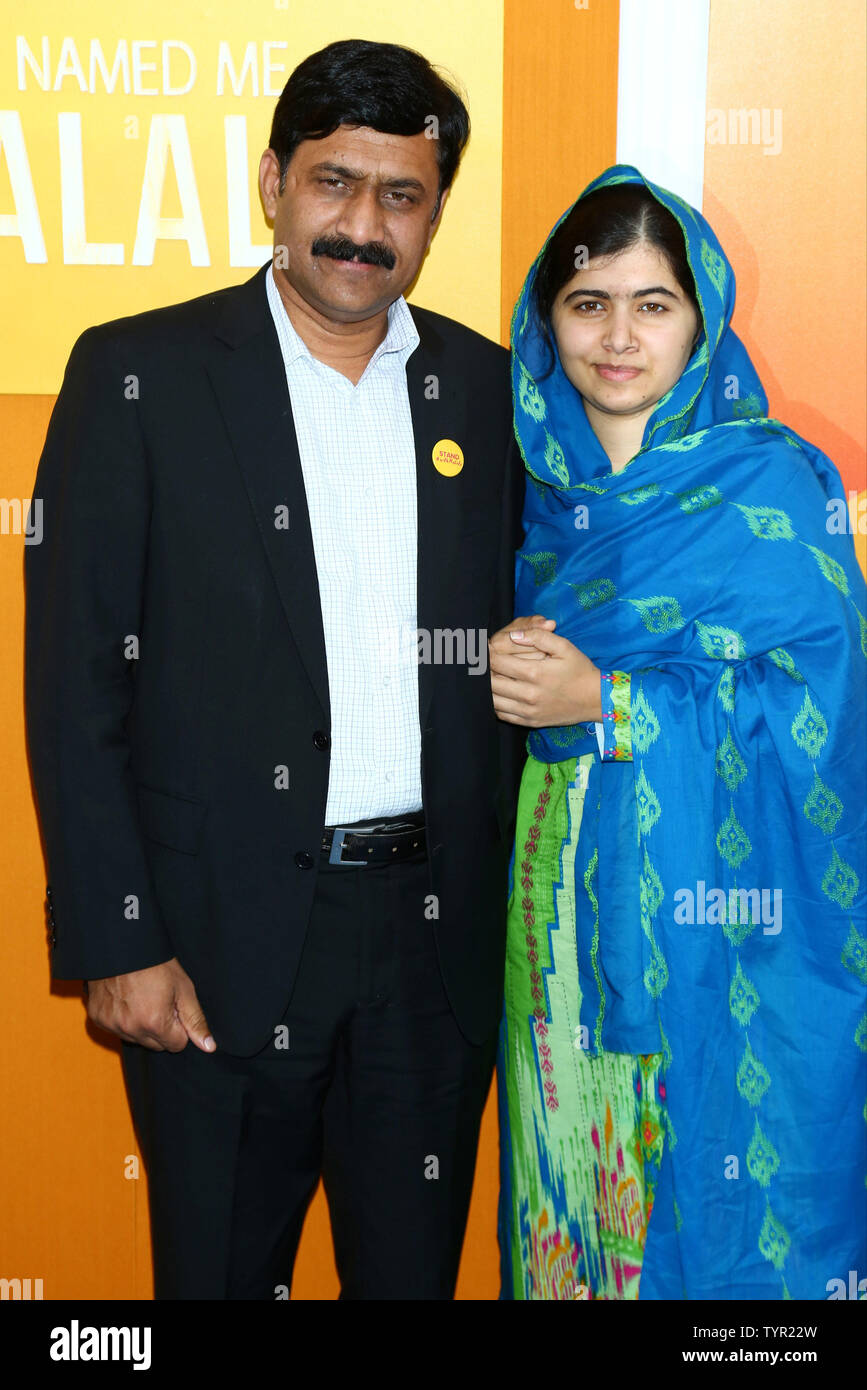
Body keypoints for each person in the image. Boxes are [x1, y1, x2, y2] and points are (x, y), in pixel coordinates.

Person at [24, 38, 525, 1300]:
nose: (363, 226)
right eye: (333, 184)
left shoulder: (488, 392)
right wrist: (118, 937)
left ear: (435, 214)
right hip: (216, 946)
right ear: (271, 183)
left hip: (432, 952)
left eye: (400, 196)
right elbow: (76, 684)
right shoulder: (137, 376)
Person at [489, 164, 867, 1300]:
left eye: (653, 304)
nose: (618, 335)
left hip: (731, 917)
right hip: (559, 901)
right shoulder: (536, 494)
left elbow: (826, 709)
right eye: (588, 302)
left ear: (700, 321)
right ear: (547, 322)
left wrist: (610, 703)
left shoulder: (773, 485)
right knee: (570, 1180)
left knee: (712, 1201)